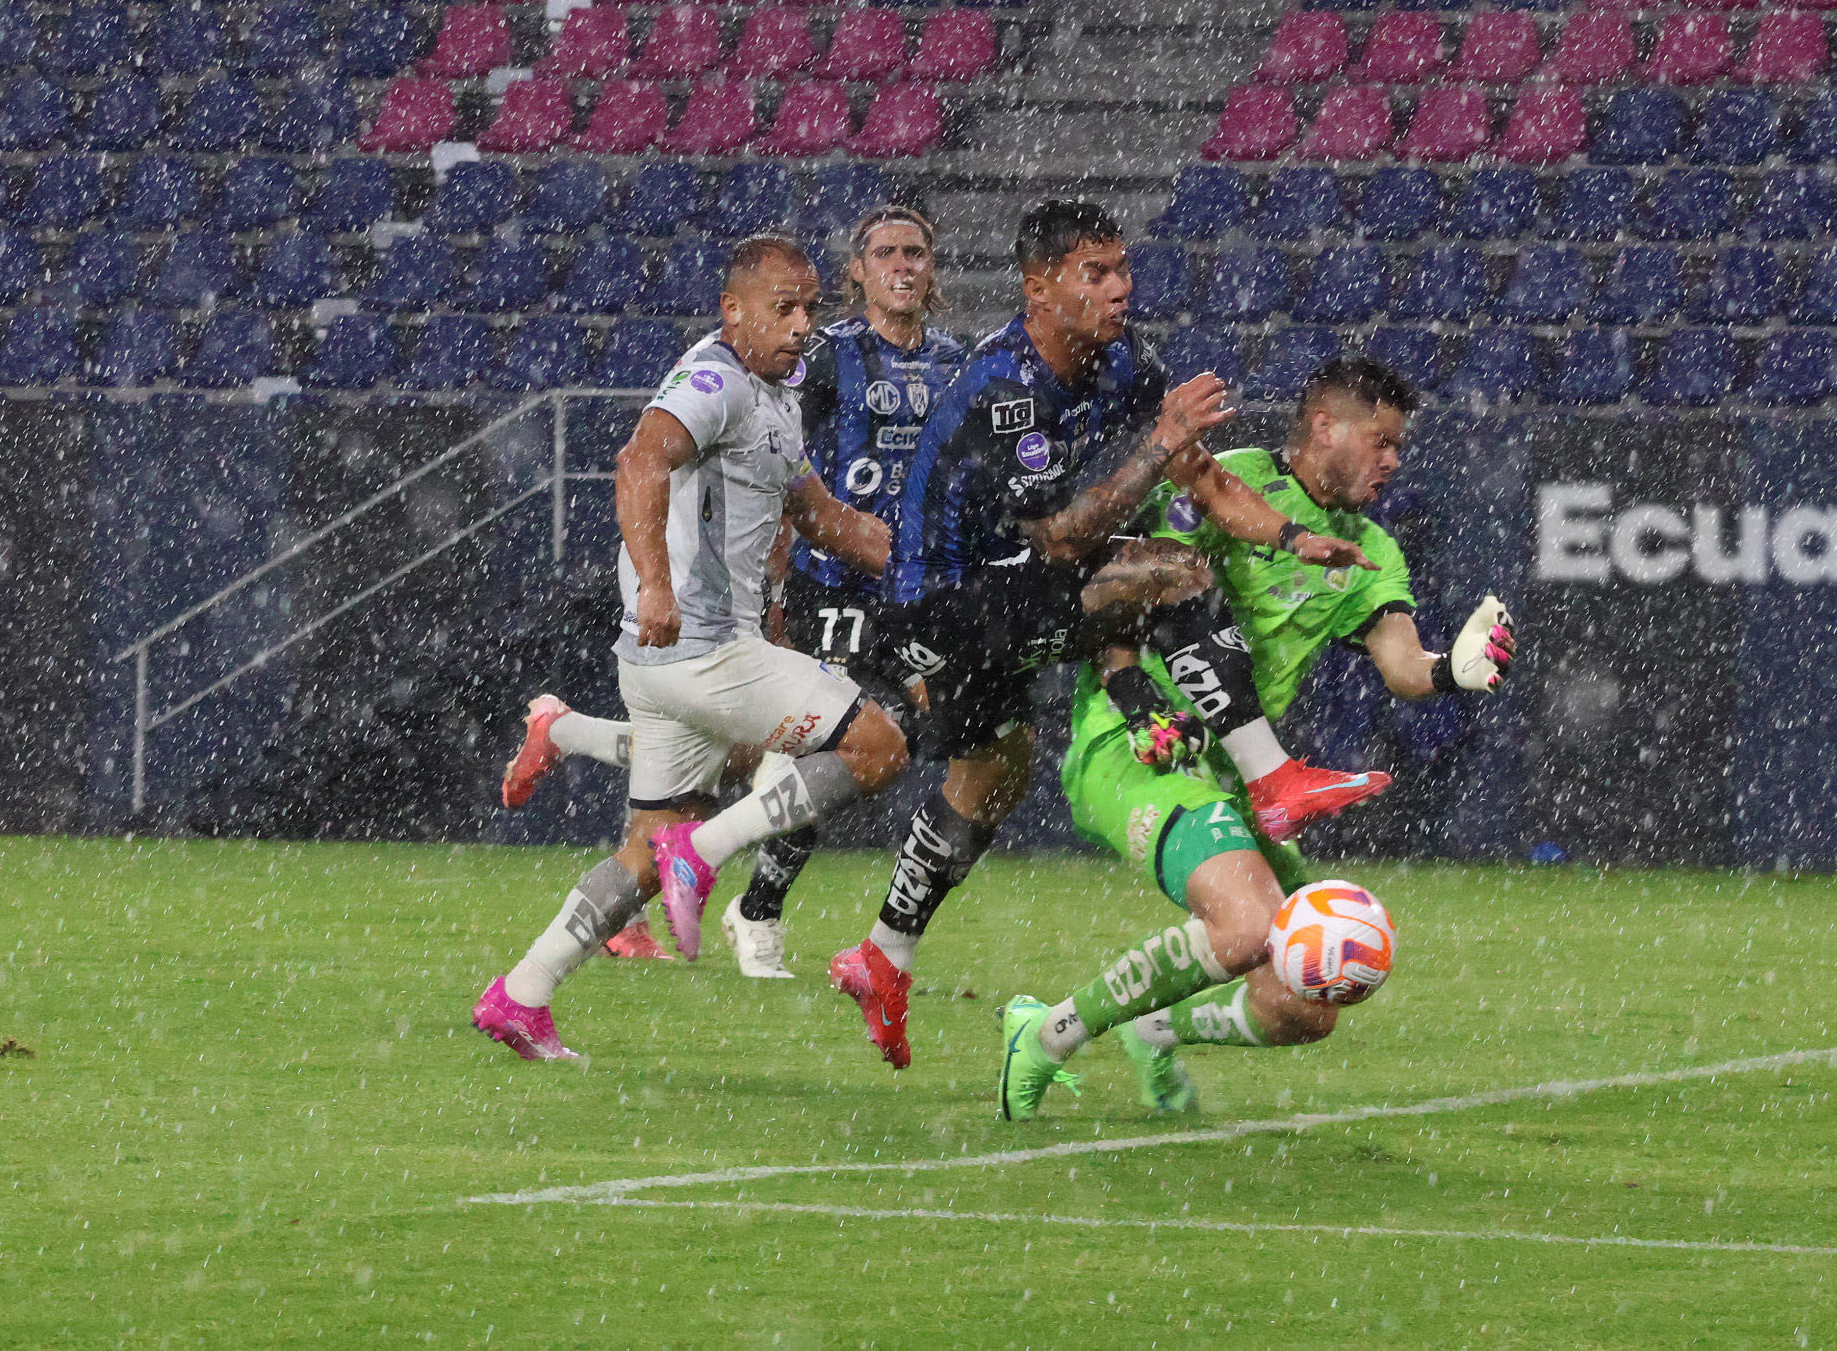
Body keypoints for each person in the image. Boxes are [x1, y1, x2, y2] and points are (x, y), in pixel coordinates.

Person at [797, 199, 1387, 1071]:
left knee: (996, 772)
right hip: (944, 606)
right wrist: (1160, 440)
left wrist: (1293, 536)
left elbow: (1202, 477)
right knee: (1173, 570)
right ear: (1039, 289)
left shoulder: (1124, 361)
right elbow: (1065, 540)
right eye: (1096, 273)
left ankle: (883, 956)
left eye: (1122, 268)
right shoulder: (1004, 386)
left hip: (1002, 593)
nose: (1120, 288)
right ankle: (1272, 779)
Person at [994, 356, 1518, 1120]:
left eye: (1398, 447)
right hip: (1139, 748)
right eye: (1381, 442)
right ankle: (1046, 1035)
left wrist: (1453, 671)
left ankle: (1155, 1027)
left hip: (1240, 778)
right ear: (1325, 427)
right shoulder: (1227, 480)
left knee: (1308, 999)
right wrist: (1131, 694)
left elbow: (1403, 664)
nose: (1393, 461)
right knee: (1245, 929)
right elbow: (1124, 583)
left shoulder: (1372, 549)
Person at [495, 207, 968, 979]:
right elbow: (639, 462)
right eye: (784, 308)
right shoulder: (723, 379)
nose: (801, 325)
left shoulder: (779, 387)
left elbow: (819, 513)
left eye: (808, 309)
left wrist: (943, 563)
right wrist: (661, 585)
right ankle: (734, 886)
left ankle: (522, 989)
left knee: (663, 836)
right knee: (872, 745)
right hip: (708, 637)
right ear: (735, 309)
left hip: (695, 645)